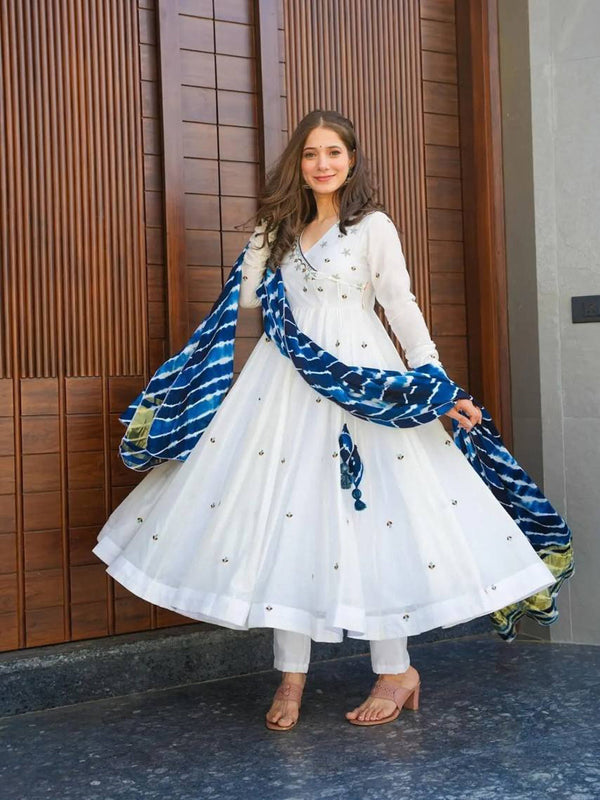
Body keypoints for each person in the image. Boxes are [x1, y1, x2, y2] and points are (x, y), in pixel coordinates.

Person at [93, 109, 557, 732]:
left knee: (382, 518)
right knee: (288, 519)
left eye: (334, 152)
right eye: (311, 153)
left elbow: (401, 306)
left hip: (362, 381)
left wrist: (435, 385)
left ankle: (395, 670)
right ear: (298, 162)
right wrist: (263, 240)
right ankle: (291, 675)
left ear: (352, 159)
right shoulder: (280, 228)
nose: (322, 164)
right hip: (283, 384)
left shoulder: (372, 227)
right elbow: (247, 299)